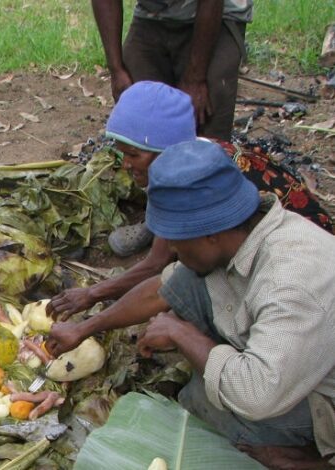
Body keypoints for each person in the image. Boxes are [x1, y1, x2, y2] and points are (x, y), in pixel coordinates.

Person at [48, 140, 335, 469]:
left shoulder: (291, 282)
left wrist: (182, 334)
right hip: (294, 361)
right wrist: (85, 328)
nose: (168, 248)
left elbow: (256, 395)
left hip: (318, 400)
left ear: (210, 234)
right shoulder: (238, 235)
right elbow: (163, 288)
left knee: (204, 403)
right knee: (191, 283)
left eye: (175, 239)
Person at [48, 81, 333, 319]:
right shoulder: (186, 155)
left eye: (133, 155)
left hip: (304, 263)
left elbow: (156, 265)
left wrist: (91, 294)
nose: (125, 164)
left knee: (192, 302)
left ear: (164, 150)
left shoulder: (201, 180)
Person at [92, 0, 252, 141]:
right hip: (153, 13)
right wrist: (116, 69)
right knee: (138, 106)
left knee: (208, 111)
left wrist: (195, 78)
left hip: (220, 12)